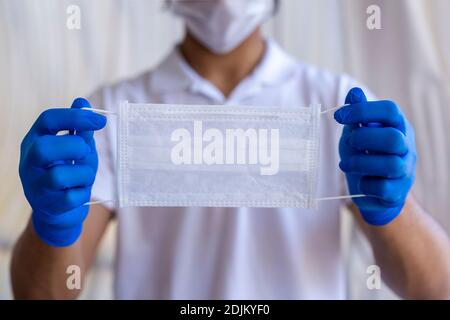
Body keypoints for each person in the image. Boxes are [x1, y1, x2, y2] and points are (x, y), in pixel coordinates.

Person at [11, 0, 450, 299]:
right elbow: (41, 294)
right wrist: (50, 223)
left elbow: (434, 286)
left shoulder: (334, 102)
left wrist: (395, 209)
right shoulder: (113, 112)